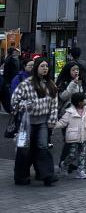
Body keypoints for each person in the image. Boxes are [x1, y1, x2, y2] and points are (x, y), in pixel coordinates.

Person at [11, 57, 59, 186]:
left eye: (47, 66)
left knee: (43, 147)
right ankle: (21, 176)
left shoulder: (51, 84)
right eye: (42, 66)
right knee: (24, 149)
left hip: (42, 122)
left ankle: (47, 175)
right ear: (36, 67)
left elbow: (54, 105)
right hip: (26, 122)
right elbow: (14, 101)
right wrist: (26, 104)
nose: (45, 69)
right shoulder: (26, 83)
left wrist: (52, 120)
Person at [55, 91, 86, 179]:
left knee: (82, 155)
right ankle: (64, 164)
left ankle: (80, 171)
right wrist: (54, 125)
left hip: (83, 137)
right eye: (84, 100)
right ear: (78, 102)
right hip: (73, 138)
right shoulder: (70, 112)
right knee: (72, 155)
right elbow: (63, 122)